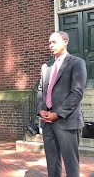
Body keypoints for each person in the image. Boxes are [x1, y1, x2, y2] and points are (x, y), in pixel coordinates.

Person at [37, 31, 87, 177]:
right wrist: (41, 110)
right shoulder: (45, 67)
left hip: (67, 122)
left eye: (54, 42)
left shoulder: (77, 63)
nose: (50, 45)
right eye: (49, 43)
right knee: (52, 163)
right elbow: (41, 90)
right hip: (47, 122)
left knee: (71, 164)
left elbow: (77, 93)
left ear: (65, 42)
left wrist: (57, 114)